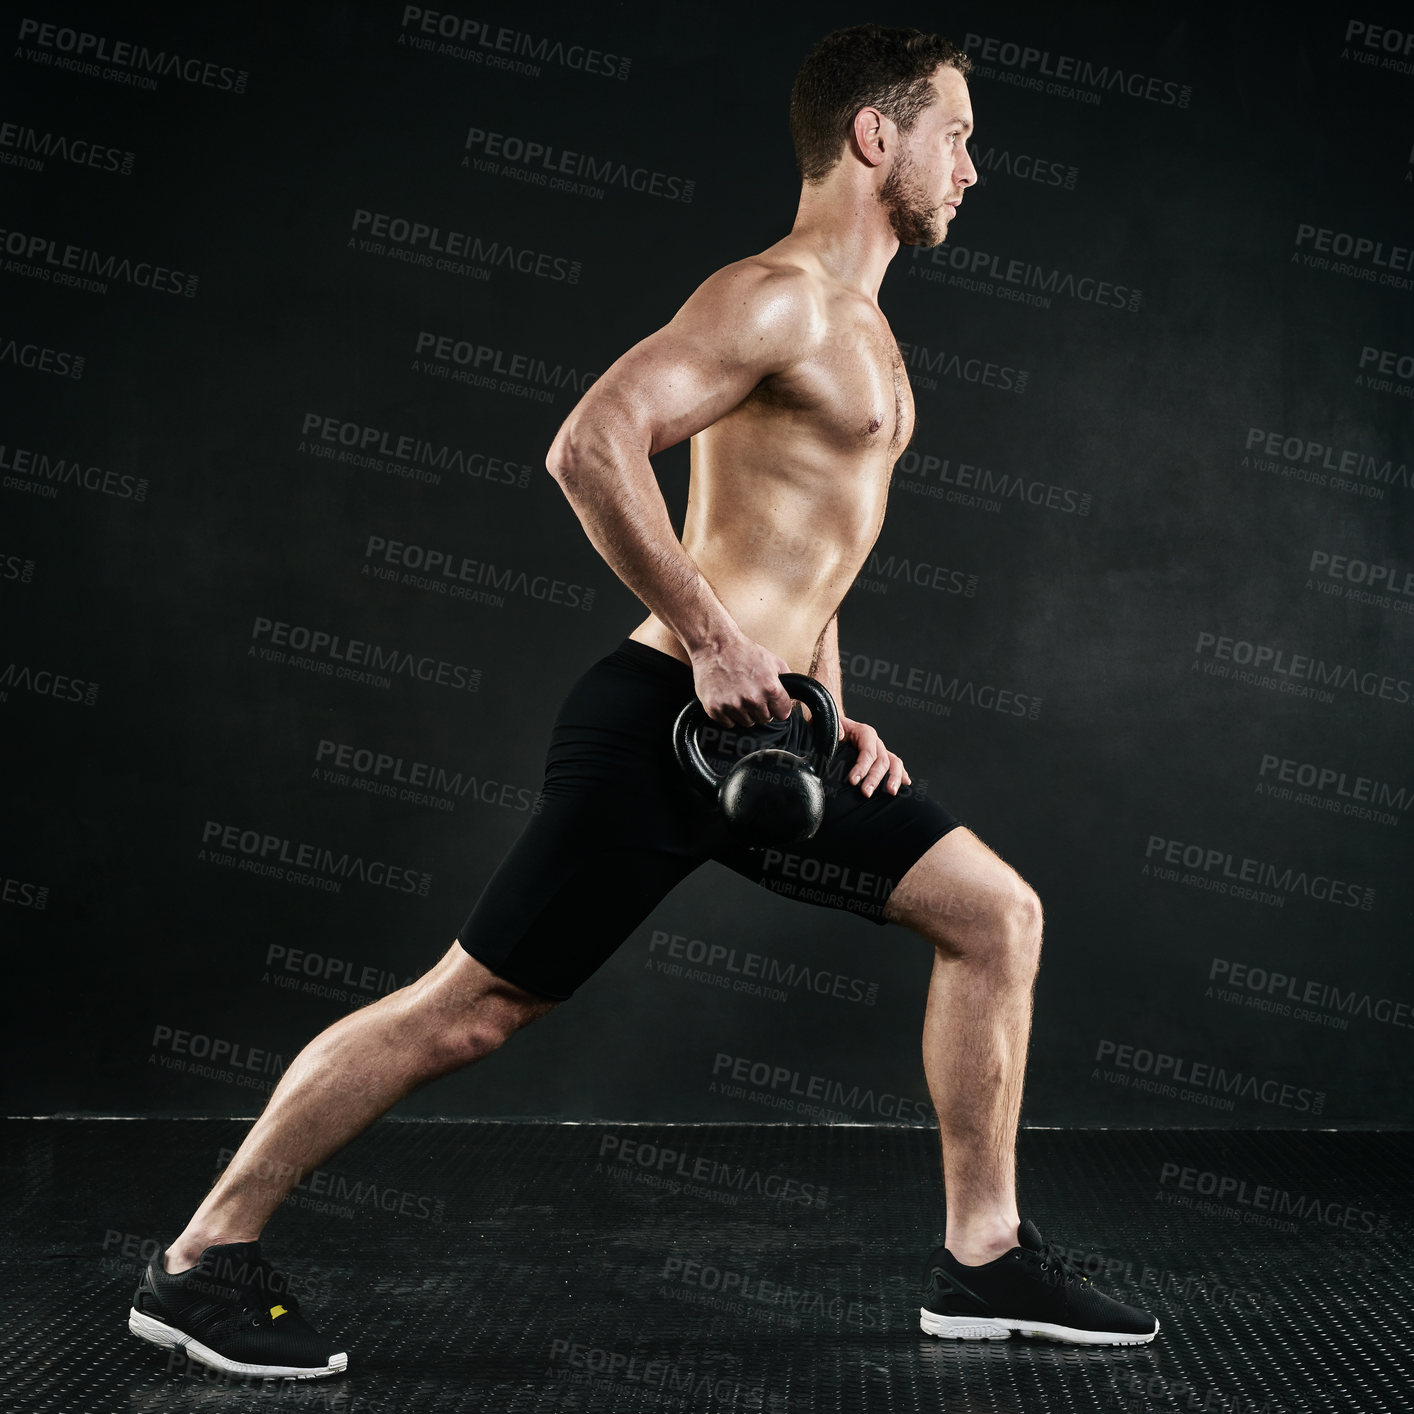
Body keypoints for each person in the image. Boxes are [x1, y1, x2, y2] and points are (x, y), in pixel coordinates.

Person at [128, 24, 1157, 1379]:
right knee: (470, 1010)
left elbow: (811, 554)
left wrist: (831, 706)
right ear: (872, 137)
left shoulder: (866, 326)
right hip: (665, 722)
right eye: (953, 133)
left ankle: (982, 1257)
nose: (973, 164)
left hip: (774, 739)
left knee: (992, 915)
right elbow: (588, 440)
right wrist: (716, 639)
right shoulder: (772, 297)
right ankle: (201, 1257)